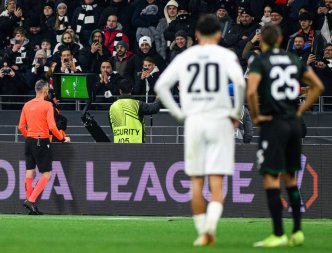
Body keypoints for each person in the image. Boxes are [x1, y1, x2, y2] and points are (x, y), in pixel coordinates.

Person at [154, 14, 246, 246]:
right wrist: (236, 113)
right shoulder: (226, 55)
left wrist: (180, 113)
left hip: (194, 121)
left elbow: (161, 86)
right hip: (220, 121)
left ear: (196, 35)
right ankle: (210, 230)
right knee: (217, 182)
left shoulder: (186, 56)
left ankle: (201, 231)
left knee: (196, 182)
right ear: (218, 34)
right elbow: (241, 83)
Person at [247, 24, 324, 247]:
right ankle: (298, 231)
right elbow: (317, 86)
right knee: (290, 178)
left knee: (271, 177)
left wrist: (256, 116)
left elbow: (251, 91)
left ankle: (278, 234)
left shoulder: (260, 61)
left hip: (273, 124)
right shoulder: (293, 60)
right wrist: (300, 109)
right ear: (280, 40)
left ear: (262, 41)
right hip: (294, 124)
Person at [19, 80, 71, 215]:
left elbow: (20, 127)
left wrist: (29, 136)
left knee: (30, 172)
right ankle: (30, 200)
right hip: (41, 141)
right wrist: (61, 138)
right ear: (45, 91)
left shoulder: (27, 105)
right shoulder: (47, 105)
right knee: (46, 174)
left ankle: (31, 206)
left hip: (29, 141)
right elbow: (52, 127)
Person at [109, 79, 161, 143]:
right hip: (137, 145)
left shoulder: (112, 106)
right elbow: (154, 108)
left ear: (120, 91)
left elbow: (112, 126)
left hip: (119, 144)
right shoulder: (137, 104)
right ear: (132, 89)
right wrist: (159, 97)